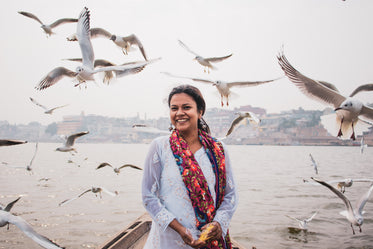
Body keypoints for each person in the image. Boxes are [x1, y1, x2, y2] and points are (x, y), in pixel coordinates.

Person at [142, 84, 238, 248]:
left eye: (186, 107)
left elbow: (230, 195)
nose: (179, 113)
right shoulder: (160, 147)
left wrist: (219, 224)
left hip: (207, 238)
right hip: (168, 239)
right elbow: (148, 196)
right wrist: (180, 229)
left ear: (200, 112)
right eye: (174, 108)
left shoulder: (218, 149)